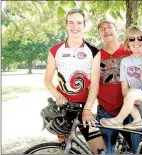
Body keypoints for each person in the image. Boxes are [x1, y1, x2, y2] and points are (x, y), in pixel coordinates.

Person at [44, 9, 105, 154]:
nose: (75, 26)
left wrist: (88, 109)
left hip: (85, 107)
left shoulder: (94, 51)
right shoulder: (54, 50)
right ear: (66, 25)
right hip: (63, 109)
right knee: (65, 151)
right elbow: (47, 80)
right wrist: (58, 96)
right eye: (71, 22)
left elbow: (95, 84)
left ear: (84, 26)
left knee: (100, 151)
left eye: (79, 23)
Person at [94, 18, 133, 154]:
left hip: (130, 109)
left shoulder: (129, 50)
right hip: (106, 110)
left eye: (109, 27)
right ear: (99, 33)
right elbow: (92, 84)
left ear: (116, 30)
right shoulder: (96, 56)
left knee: (134, 149)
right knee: (106, 151)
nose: (106, 31)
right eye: (102, 29)